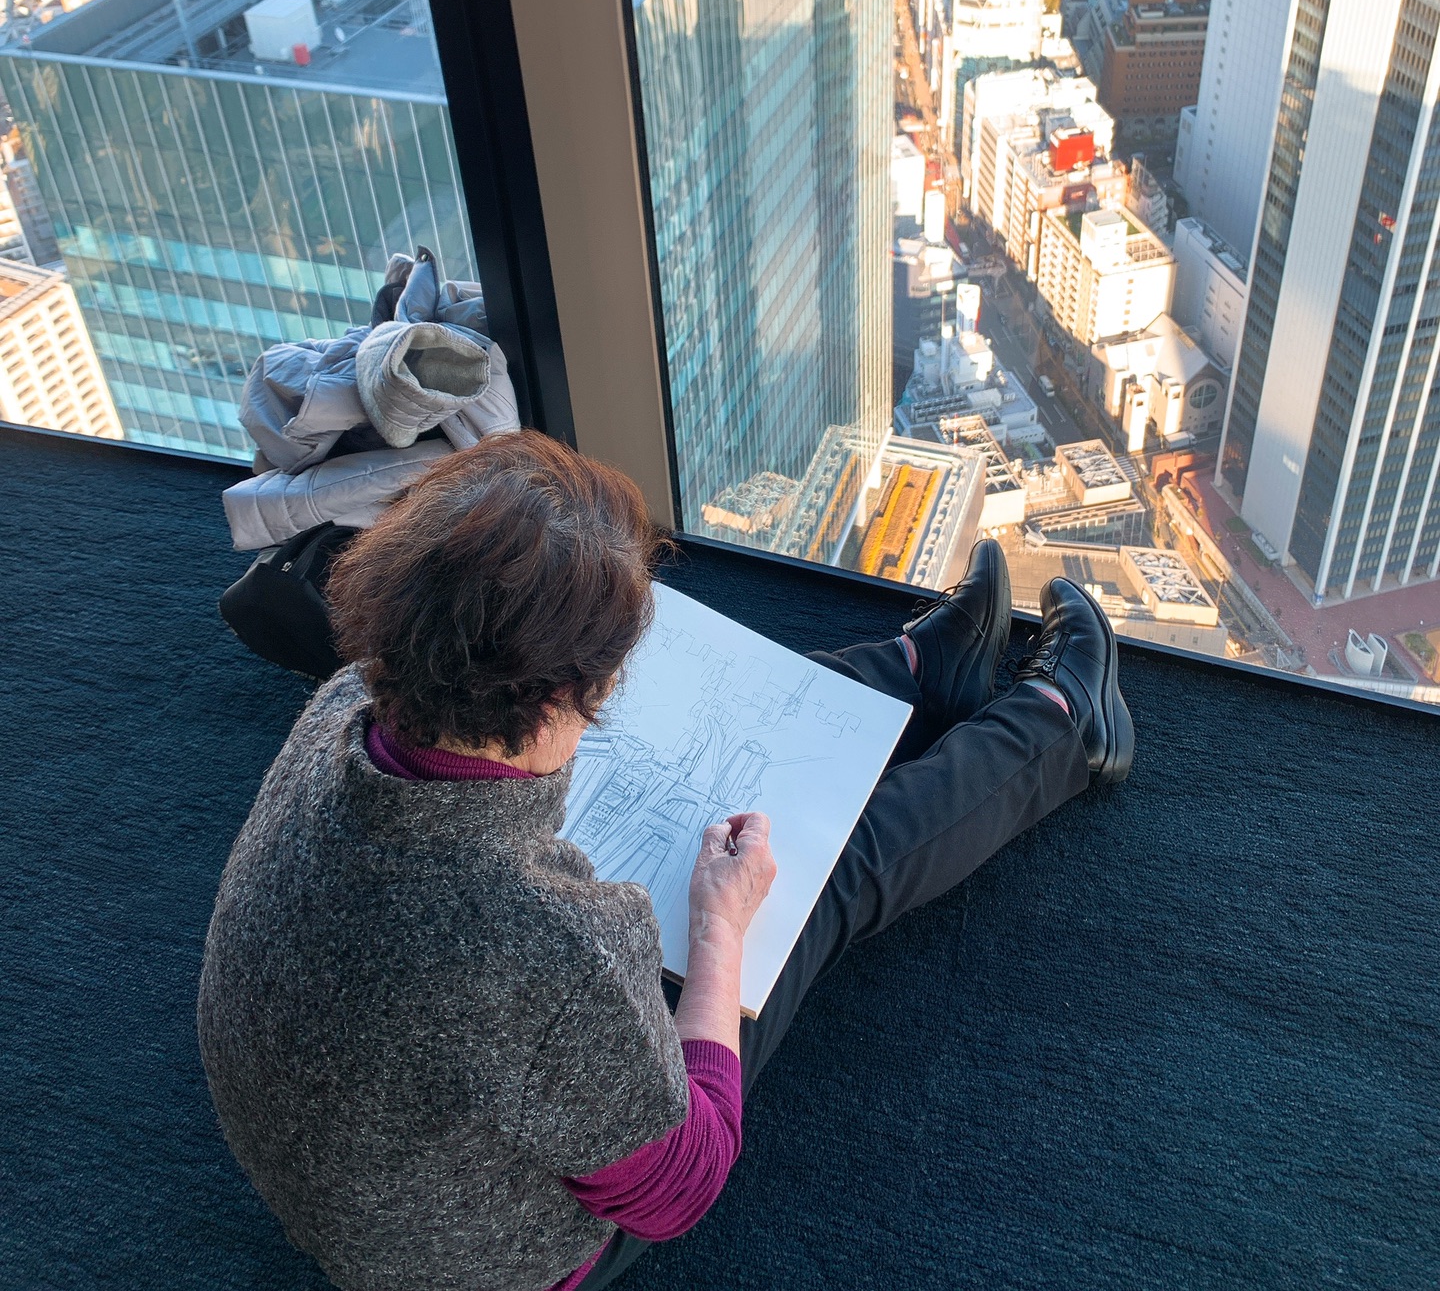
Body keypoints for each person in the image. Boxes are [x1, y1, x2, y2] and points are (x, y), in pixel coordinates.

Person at [198, 430, 1133, 1291]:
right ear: (561, 692)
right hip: (475, 1257)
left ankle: (918, 675)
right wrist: (722, 930)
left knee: (680, 743)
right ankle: (1061, 732)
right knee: (818, 878)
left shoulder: (348, 703)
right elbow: (677, 1188)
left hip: (350, 1138)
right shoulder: (548, 953)